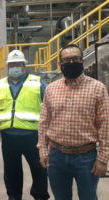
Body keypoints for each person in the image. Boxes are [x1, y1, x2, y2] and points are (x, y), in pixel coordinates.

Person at [37, 44, 109, 200]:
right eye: (67, 60)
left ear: (82, 61)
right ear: (60, 64)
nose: (71, 63)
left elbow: (105, 125)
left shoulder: (98, 89)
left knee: (88, 197)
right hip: (56, 156)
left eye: (75, 59)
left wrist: (103, 159)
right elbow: (44, 122)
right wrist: (43, 150)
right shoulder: (51, 89)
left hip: (86, 158)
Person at [0, 50, 50, 200]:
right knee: (12, 171)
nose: (14, 67)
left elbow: (50, 106)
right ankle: (14, 197)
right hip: (8, 137)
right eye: (11, 65)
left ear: (24, 66)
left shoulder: (37, 82)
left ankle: (40, 196)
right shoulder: (0, 85)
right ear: (8, 67)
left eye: (17, 64)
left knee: (39, 169)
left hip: (33, 136)